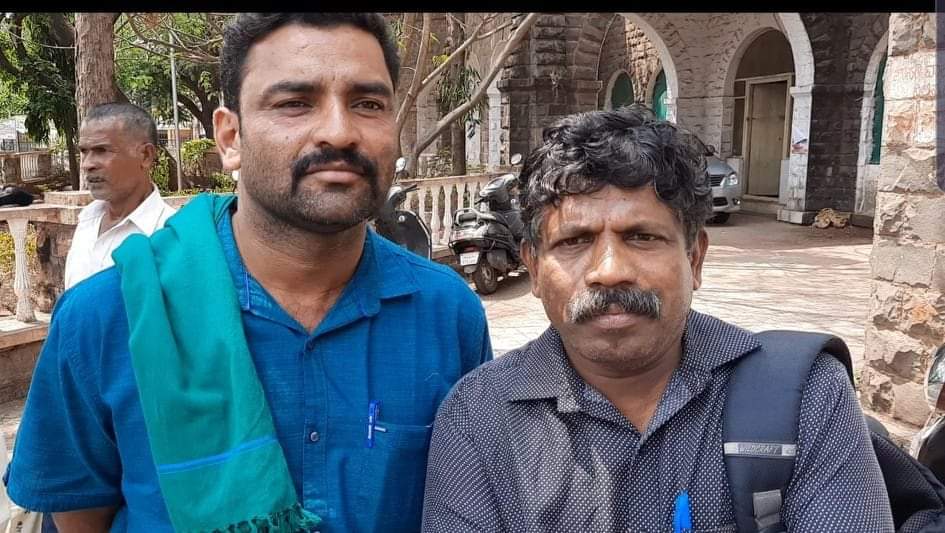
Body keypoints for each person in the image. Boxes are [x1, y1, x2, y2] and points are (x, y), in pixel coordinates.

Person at [5, 13, 490, 533]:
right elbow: (79, 518)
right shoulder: (108, 317)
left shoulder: (446, 313)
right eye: (294, 103)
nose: (339, 131)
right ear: (230, 137)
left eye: (368, 104)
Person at [421, 106, 894, 532]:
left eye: (642, 237)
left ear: (694, 258)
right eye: (575, 241)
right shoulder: (479, 417)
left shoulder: (805, 397)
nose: (610, 271)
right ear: (535, 267)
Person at [64, 103, 176, 289]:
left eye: (102, 151)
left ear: (146, 156)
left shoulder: (169, 234)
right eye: (84, 151)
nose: (87, 164)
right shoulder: (87, 221)